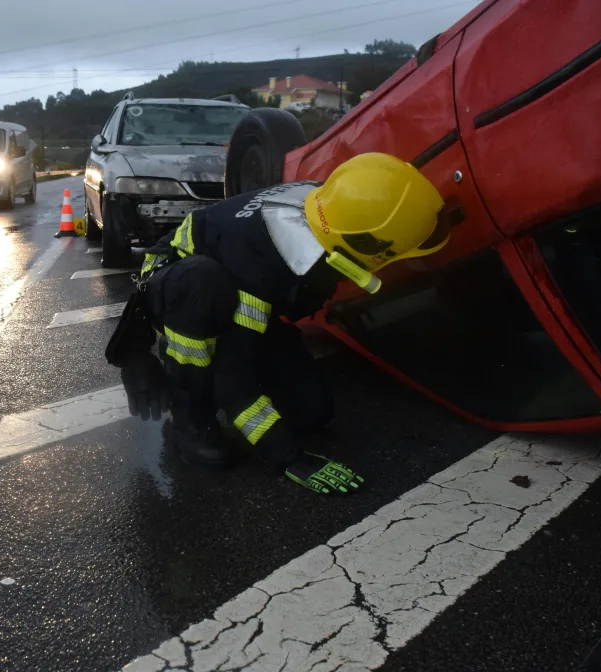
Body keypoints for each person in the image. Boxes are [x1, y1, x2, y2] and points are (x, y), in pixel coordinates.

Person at [105, 153, 449, 495]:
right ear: (368, 246)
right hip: (179, 286)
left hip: (233, 287)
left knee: (311, 412)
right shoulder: (259, 265)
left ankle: (218, 349)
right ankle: (189, 414)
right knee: (203, 286)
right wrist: (288, 456)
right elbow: (233, 381)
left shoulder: (334, 206)